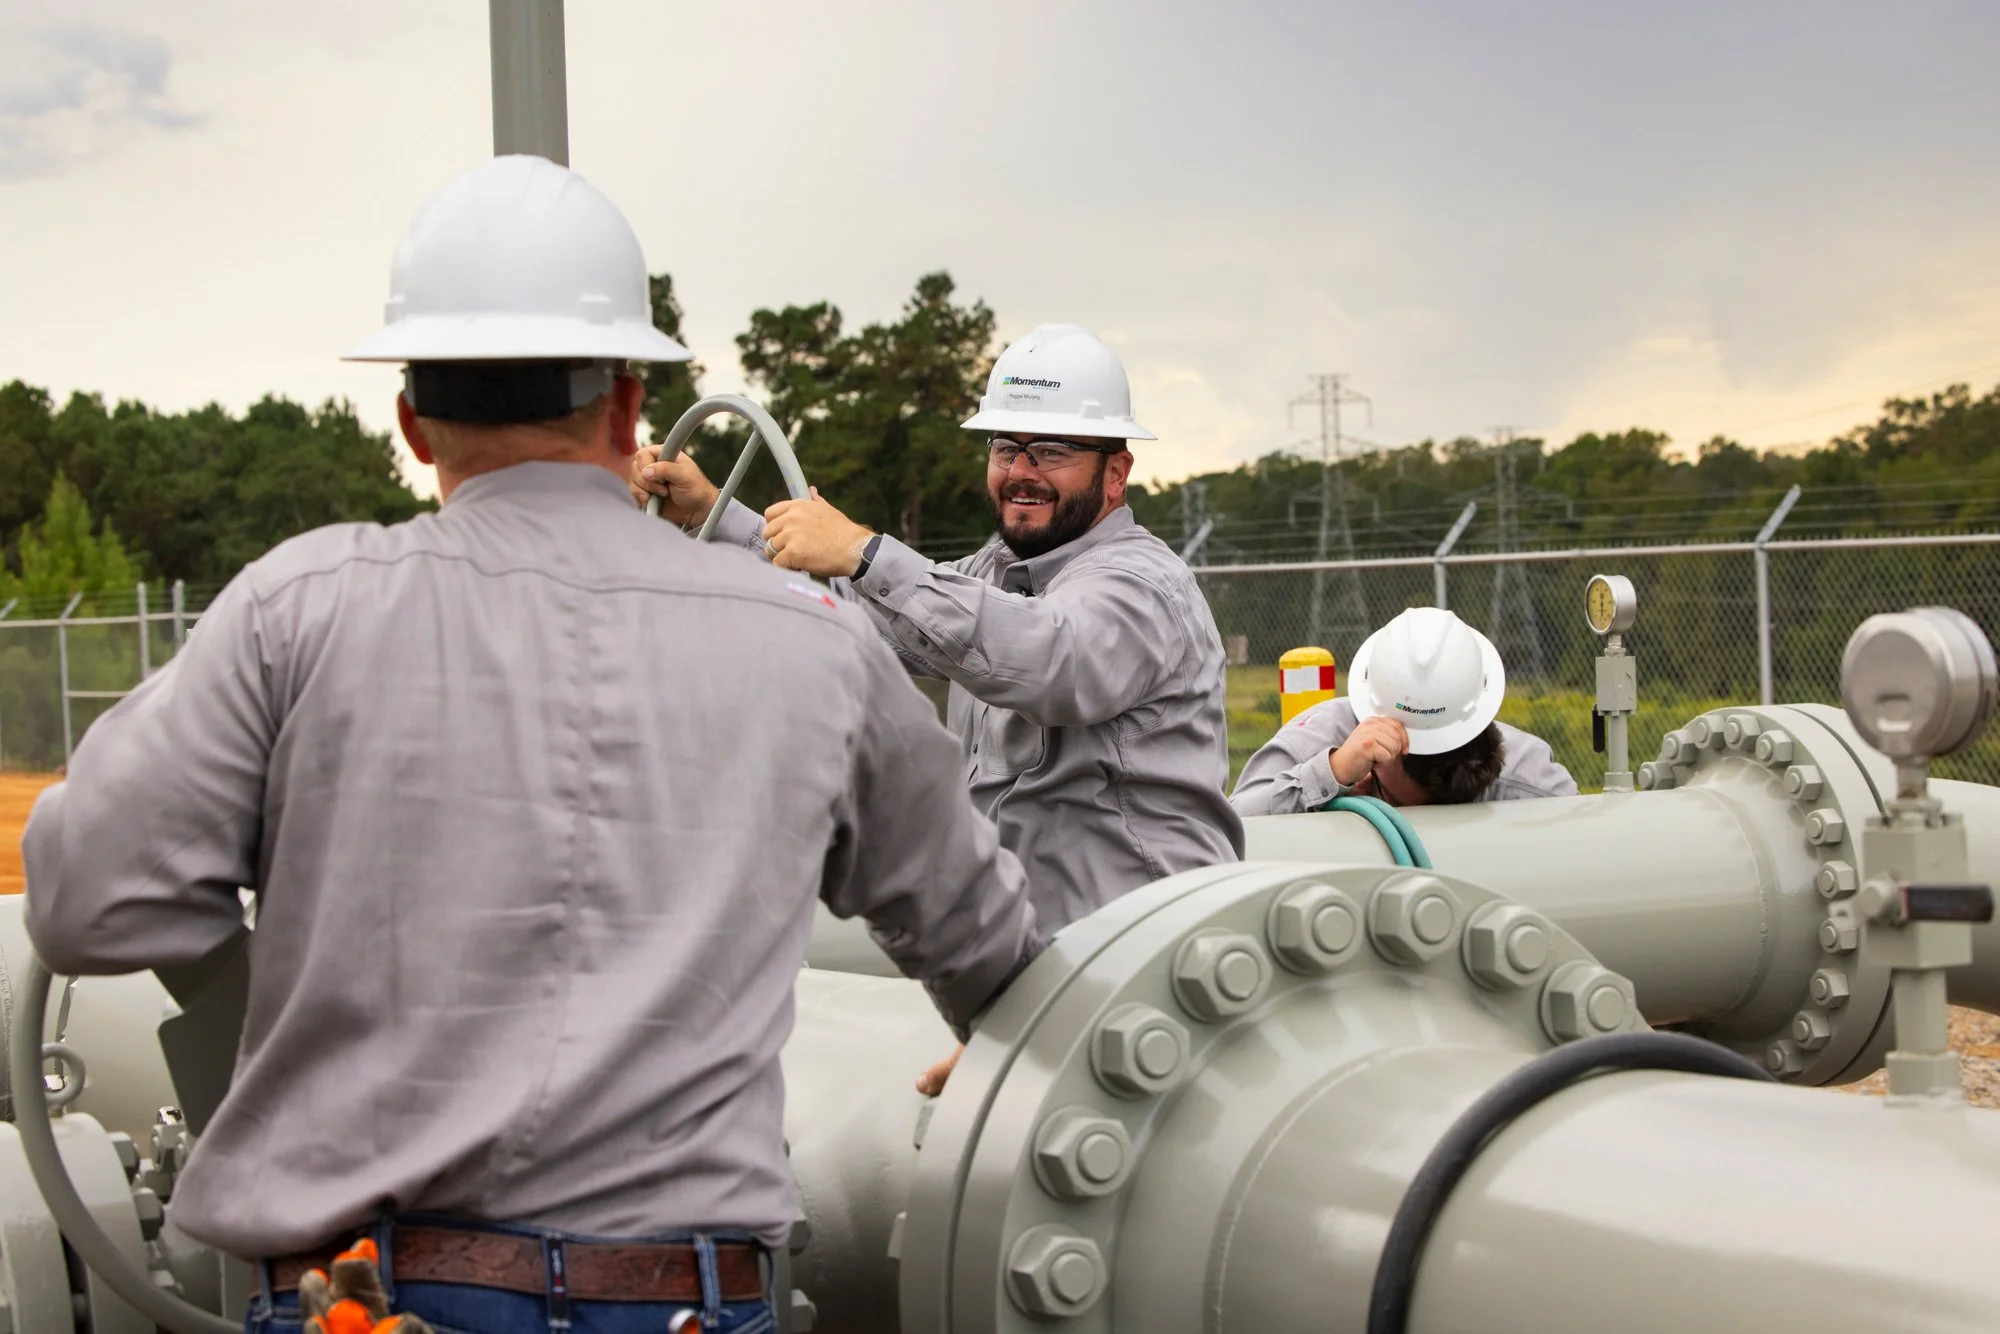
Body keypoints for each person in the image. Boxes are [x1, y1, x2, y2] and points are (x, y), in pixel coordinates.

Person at [22, 155, 1045, 1334]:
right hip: (683, 1299)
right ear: (625, 404)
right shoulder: (811, 643)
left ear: (410, 422)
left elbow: (84, 898)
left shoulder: (296, 608)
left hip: (362, 1294)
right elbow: (984, 939)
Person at [632, 324, 1245, 932]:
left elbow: (1051, 658)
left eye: (1052, 451)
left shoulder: (1141, 585)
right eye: (1006, 448)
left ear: (1115, 473)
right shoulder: (995, 572)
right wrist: (713, 514)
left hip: (1146, 943)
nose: (1022, 471)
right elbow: (872, 613)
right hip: (1018, 933)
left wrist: (864, 552)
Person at [1231, 606, 1577, 814]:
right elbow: (1229, 827)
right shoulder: (1315, 740)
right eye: (1391, 798)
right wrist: (1330, 773)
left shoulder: (1525, 775)